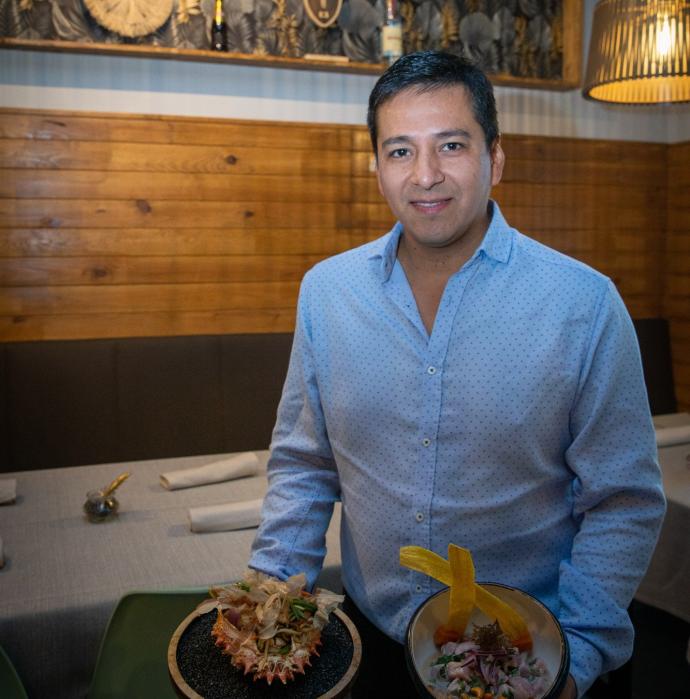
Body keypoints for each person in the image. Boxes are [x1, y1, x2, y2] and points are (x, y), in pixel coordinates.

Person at [248, 50, 666, 698]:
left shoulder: (582, 305)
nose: (426, 175)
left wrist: (572, 657)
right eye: (400, 151)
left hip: (530, 655)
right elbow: (304, 464)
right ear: (376, 167)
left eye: (450, 145)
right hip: (376, 646)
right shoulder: (328, 294)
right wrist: (271, 602)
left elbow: (624, 501)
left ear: (494, 158)